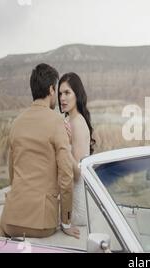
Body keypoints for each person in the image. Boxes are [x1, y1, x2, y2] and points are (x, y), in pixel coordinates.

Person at [0, 63, 80, 239]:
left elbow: (13, 173)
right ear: (51, 89)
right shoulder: (57, 122)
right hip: (41, 224)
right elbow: (66, 177)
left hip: (10, 220)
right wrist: (66, 222)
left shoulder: (16, 122)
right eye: (56, 90)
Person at [58, 72, 96, 226]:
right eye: (60, 93)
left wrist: (65, 147)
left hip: (77, 207)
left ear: (77, 94)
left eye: (67, 92)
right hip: (68, 196)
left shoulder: (78, 123)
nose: (62, 98)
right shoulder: (68, 120)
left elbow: (78, 173)